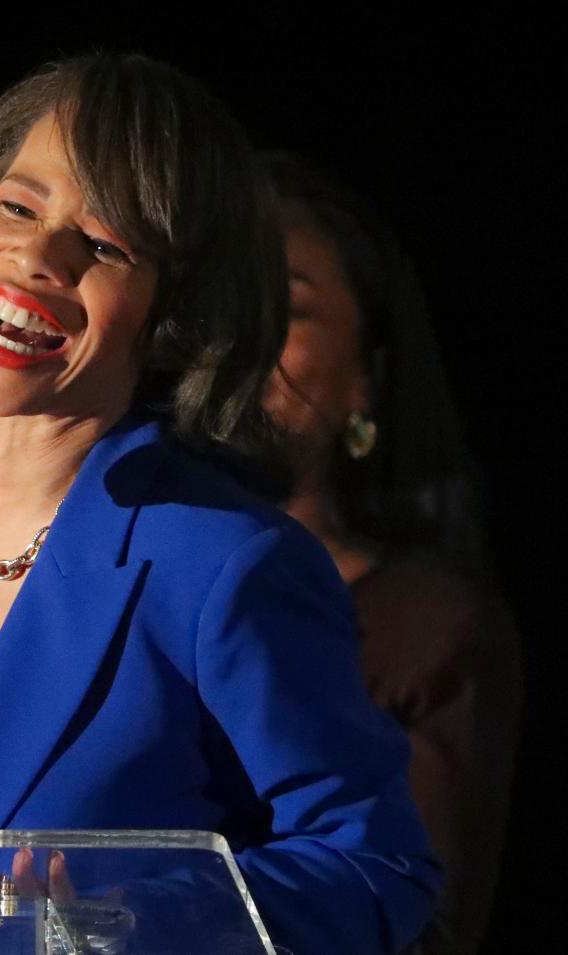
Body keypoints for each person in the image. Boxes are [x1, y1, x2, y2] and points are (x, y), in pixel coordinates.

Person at [0, 55, 438, 954]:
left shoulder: (219, 564)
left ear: (172, 313)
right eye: (18, 205)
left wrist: (133, 921)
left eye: (103, 245)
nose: (36, 254)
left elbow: (379, 866)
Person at [262, 154, 522, 955]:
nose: (242, 342)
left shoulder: (426, 633)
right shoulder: (108, 576)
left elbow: (410, 926)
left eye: (289, 311)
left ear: (363, 385)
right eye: (221, 307)